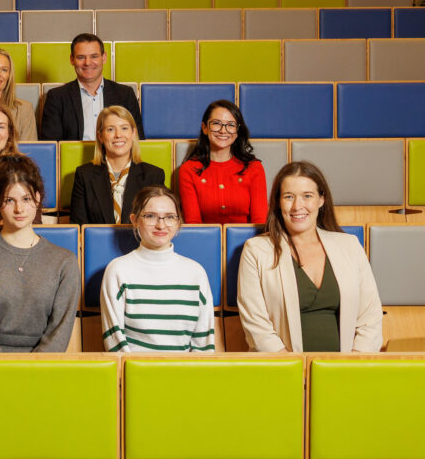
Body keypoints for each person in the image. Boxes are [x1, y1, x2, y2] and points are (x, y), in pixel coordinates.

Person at [238, 161, 383, 353]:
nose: (298, 206)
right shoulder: (256, 250)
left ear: (321, 200)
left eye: (307, 196)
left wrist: (352, 366)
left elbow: (370, 317)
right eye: (289, 197)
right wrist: (292, 369)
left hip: (346, 372)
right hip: (283, 372)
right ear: (278, 202)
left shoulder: (350, 246)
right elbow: (256, 324)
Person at [0, 155, 79, 352]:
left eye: (26, 198)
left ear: (38, 198)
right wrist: (6, 375)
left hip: (45, 372)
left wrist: (31, 374)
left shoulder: (65, 261)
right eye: (9, 200)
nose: (19, 208)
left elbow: (59, 333)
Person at [100, 186, 215, 352]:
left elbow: (204, 345)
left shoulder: (196, 273)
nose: (161, 225)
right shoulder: (118, 270)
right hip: (134, 374)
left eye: (169, 217)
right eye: (150, 216)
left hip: (186, 375)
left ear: (178, 222)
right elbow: (114, 342)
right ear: (134, 220)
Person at [177, 99, 267, 224]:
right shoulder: (188, 169)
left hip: (250, 242)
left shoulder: (254, 167)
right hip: (205, 242)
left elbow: (260, 222)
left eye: (231, 125)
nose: (223, 131)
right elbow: (194, 224)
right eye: (216, 123)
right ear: (205, 128)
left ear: (237, 131)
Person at [70, 106, 165, 224]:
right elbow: (79, 226)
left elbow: (157, 223)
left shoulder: (153, 175)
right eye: (110, 129)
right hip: (98, 242)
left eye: (124, 128)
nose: (118, 135)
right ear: (100, 136)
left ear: (133, 133)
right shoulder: (84, 175)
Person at [39, 33, 142, 141]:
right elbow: (51, 146)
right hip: (74, 158)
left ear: (104, 58)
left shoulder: (125, 94)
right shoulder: (56, 97)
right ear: (72, 60)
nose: (87, 63)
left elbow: (137, 140)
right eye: (81, 57)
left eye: (94, 56)